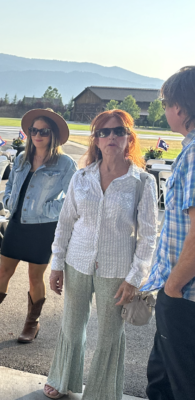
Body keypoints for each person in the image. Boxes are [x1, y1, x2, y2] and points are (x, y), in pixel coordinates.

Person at [43, 109, 158, 399]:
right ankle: (62, 378)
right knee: (71, 326)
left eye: (119, 131)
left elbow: (148, 236)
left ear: (129, 137)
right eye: (103, 132)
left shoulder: (142, 182)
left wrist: (134, 278)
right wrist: (57, 264)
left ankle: (102, 393)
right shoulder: (81, 177)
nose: (111, 137)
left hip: (117, 270)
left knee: (110, 336)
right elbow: (65, 223)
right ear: (95, 139)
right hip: (77, 263)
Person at [0, 108, 77, 343]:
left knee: (34, 277)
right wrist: (9, 200)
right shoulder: (21, 158)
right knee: (3, 271)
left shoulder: (65, 164)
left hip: (42, 228)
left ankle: (32, 323)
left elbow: (73, 199)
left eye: (44, 131)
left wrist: (47, 210)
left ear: (53, 134)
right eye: (33, 130)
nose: (37, 135)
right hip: (17, 223)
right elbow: (10, 184)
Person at [140, 66, 195, 400]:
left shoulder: (194, 154)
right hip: (179, 290)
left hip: (184, 293)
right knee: (162, 379)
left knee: (181, 383)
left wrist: (173, 286)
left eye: (165, 103)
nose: (164, 110)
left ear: (180, 107)